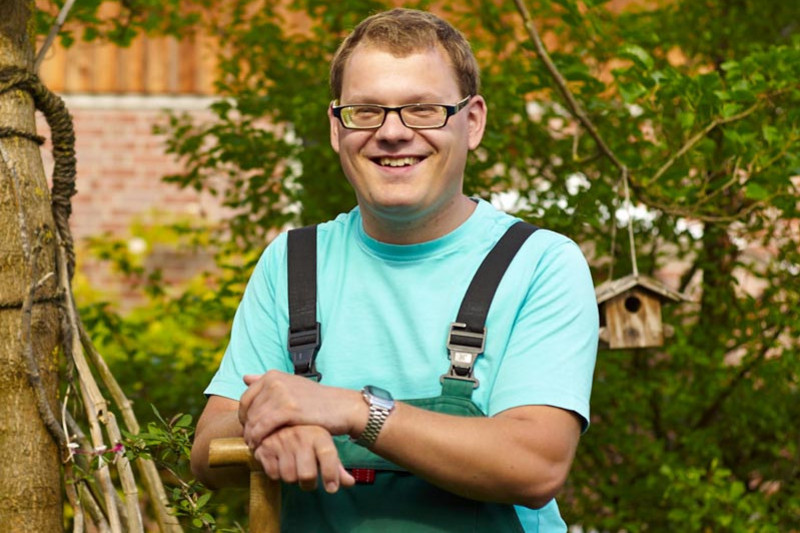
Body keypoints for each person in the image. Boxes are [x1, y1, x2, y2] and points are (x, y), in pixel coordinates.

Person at [191, 7, 598, 532]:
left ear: (471, 122)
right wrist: (266, 426)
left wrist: (355, 411)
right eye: (366, 111)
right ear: (337, 128)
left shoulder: (539, 262)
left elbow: (536, 464)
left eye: (423, 110)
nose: (392, 133)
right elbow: (205, 451)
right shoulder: (293, 263)